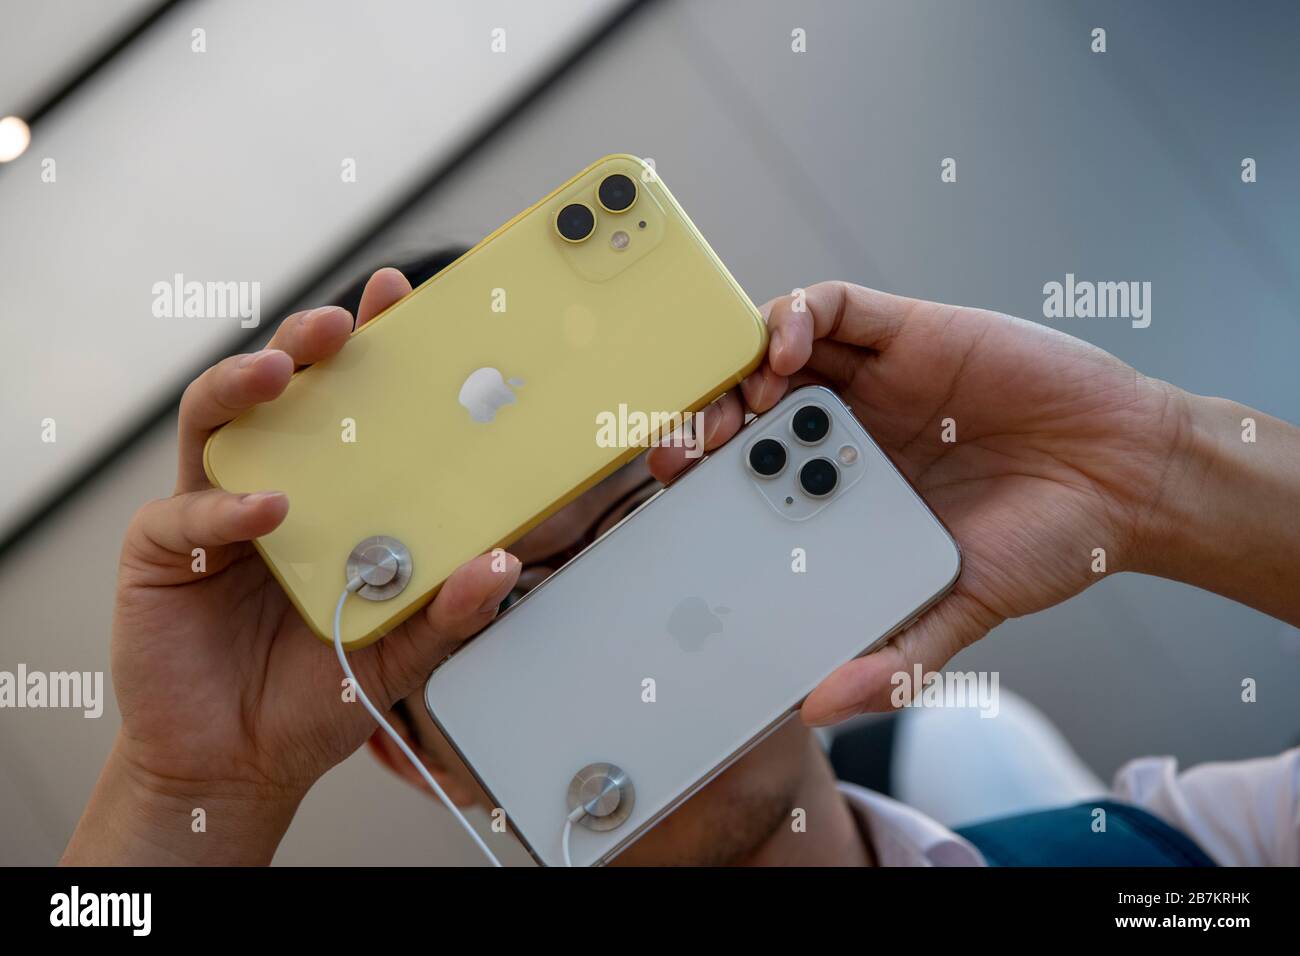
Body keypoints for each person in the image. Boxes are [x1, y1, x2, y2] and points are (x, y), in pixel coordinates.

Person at [62, 268, 1300, 866]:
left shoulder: (1171, 859)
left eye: (629, 520)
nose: (618, 628)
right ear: (402, 744)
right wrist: (183, 791)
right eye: (492, 610)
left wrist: (1157, 467)